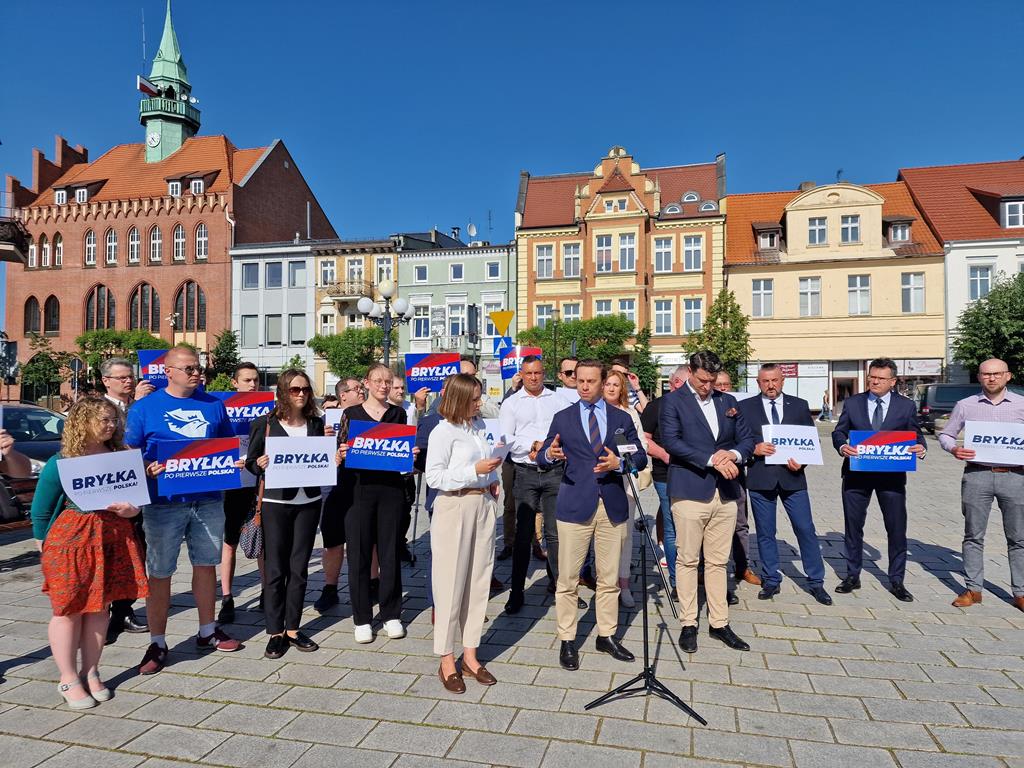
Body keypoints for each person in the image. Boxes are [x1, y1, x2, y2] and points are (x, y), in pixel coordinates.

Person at [125, 346, 244, 675]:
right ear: (168, 372)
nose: (196, 373)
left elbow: (225, 446)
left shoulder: (214, 405)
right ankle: (158, 641)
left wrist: (233, 461)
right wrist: (146, 467)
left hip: (208, 499)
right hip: (163, 504)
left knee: (206, 565)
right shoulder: (144, 409)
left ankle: (208, 630)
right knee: (160, 571)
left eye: (198, 367)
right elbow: (128, 453)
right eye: (188, 368)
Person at [31, 398, 148, 708]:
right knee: (67, 609)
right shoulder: (64, 460)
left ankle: (92, 671)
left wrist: (130, 509)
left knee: (100, 608)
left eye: (112, 419)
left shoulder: (121, 456)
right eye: (103, 420)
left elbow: (136, 503)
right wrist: (42, 544)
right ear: (82, 423)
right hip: (72, 540)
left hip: (112, 538)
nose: (110, 425)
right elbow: (41, 510)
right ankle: (68, 678)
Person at [539, 359, 644, 670]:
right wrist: (549, 454)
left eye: (590, 381)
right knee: (568, 579)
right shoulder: (563, 417)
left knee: (609, 577)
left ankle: (606, 634)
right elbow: (546, 453)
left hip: (611, 504)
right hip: (574, 505)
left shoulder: (620, 418)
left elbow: (639, 456)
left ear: (603, 383)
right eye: (579, 380)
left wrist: (620, 464)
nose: (583, 386)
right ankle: (568, 638)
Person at [660, 351, 755, 654]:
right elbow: (672, 442)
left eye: (712, 381)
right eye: (702, 380)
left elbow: (747, 440)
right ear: (690, 372)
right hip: (690, 490)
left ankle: (719, 622)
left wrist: (735, 455)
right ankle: (689, 622)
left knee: (717, 560)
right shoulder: (673, 402)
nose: (707, 386)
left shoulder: (727, 402)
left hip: (725, 491)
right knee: (688, 559)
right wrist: (713, 459)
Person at [425, 374, 502, 692]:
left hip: (482, 504)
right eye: (474, 398)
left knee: (478, 580)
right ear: (458, 399)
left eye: (480, 397)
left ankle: (471, 655)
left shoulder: (480, 427)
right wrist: (474, 472)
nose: (479, 403)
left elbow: (486, 463)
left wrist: (492, 477)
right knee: (449, 584)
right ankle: (446, 659)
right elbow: (433, 477)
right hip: (453, 508)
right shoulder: (443, 431)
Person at [245, 370, 326, 658]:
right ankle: (274, 631)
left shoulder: (317, 423)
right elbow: (251, 463)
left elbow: (322, 459)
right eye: (294, 389)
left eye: (305, 389)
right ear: (283, 391)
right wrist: (260, 463)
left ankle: (293, 628)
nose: (301, 394)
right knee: (276, 569)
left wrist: (334, 457)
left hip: (309, 500)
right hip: (275, 502)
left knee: (299, 568)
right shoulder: (265, 424)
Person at [832, 357, 926, 602]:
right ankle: (852, 575)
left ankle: (897, 580)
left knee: (896, 529)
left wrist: (921, 448)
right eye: (872, 376)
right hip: (856, 474)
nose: (874, 381)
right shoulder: (853, 403)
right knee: (853, 528)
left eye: (880, 378)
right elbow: (839, 431)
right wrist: (842, 446)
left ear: (892, 381)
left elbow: (915, 434)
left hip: (891, 477)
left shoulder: (905, 406)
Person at [738, 364, 831, 605]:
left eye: (775, 380)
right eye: (765, 381)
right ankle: (770, 580)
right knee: (766, 533)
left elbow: (811, 444)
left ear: (783, 381)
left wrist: (802, 463)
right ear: (758, 383)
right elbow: (739, 442)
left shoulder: (799, 406)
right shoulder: (745, 407)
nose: (770, 385)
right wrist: (753, 450)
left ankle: (816, 581)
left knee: (805, 529)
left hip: (793, 479)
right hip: (761, 478)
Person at [939, 358, 1024, 612]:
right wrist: (954, 448)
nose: (992, 378)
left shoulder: (1022, 405)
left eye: (997, 374)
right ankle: (973, 589)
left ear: (1008, 376)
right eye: (986, 374)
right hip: (977, 475)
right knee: (973, 535)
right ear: (979, 377)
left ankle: (1020, 593)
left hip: (1016, 477)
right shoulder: (966, 405)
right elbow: (945, 434)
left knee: (1019, 537)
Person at [336, 363, 409, 643]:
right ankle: (362, 618)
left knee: (390, 553)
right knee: (359, 555)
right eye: (378, 381)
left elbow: (401, 452)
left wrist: (409, 453)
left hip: (390, 490)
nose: (383, 385)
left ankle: (391, 614)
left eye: (387, 381)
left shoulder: (397, 413)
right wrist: (341, 452)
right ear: (366, 383)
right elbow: (341, 451)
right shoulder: (351, 414)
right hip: (358, 491)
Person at [498, 356, 570, 614]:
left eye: (538, 373)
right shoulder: (512, 403)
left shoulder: (558, 400)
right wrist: (533, 446)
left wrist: (550, 448)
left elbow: (567, 434)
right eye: (528, 373)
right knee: (523, 533)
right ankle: (516, 592)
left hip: (554, 471)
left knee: (554, 533)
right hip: (525, 472)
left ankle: (559, 587)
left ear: (544, 373)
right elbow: (506, 438)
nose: (533, 378)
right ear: (522, 373)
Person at [99, 357, 153, 642]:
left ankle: (124, 611)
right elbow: (118, 441)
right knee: (106, 554)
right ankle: (102, 613)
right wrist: (136, 407)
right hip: (105, 493)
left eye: (130, 376)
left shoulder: (140, 406)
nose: (128, 381)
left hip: (136, 490)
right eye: (121, 378)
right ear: (106, 380)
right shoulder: (99, 410)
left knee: (134, 551)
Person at [315, 375, 365, 612]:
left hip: (361, 486)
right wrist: (323, 441)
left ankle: (370, 584)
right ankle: (330, 588)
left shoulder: (371, 417)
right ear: (343, 395)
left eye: (362, 387)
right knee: (333, 540)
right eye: (357, 389)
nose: (362, 391)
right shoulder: (323, 422)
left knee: (366, 539)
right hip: (332, 487)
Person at [219, 362, 262, 624]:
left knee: (263, 540)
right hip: (232, 484)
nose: (252, 384)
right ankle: (227, 597)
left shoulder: (268, 411)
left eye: (255, 380)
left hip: (260, 483)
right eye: (246, 380)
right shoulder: (222, 408)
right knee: (230, 541)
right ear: (234, 383)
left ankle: (268, 593)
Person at [640, 365, 688, 596]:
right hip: (665, 474)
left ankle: (694, 574)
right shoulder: (655, 407)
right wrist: (666, 456)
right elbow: (645, 440)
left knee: (693, 527)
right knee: (672, 526)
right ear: (675, 383)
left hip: (695, 474)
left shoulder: (695, 406)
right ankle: (677, 581)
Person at [713, 370, 761, 600]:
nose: (722, 388)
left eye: (726, 384)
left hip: (735, 471)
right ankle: (712, 574)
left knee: (740, 523)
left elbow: (747, 438)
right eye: (718, 384)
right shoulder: (707, 406)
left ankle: (742, 567)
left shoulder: (737, 407)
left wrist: (737, 455)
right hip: (709, 473)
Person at [603, 369, 647, 608]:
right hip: (600, 482)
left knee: (625, 536)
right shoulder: (594, 413)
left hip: (625, 480)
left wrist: (626, 456)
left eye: (616, 385)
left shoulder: (629, 414)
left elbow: (640, 447)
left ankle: (624, 584)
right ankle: (605, 585)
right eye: (607, 384)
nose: (611, 388)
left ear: (622, 389)